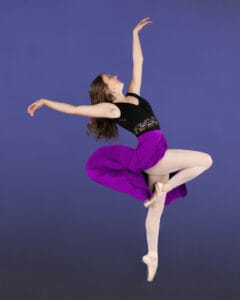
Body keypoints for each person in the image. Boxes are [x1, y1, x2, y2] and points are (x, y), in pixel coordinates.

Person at [27, 17, 213, 282]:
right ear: (106, 90)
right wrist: (45, 101)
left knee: (156, 209)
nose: (116, 76)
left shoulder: (134, 96)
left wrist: (135, 34)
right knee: (206, 160)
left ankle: (152, 255)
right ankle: (165, 188)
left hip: (155, 153)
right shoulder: (113, 109)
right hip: (153, 155)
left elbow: (139, 63)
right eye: (110, 78)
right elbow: (78, 109)